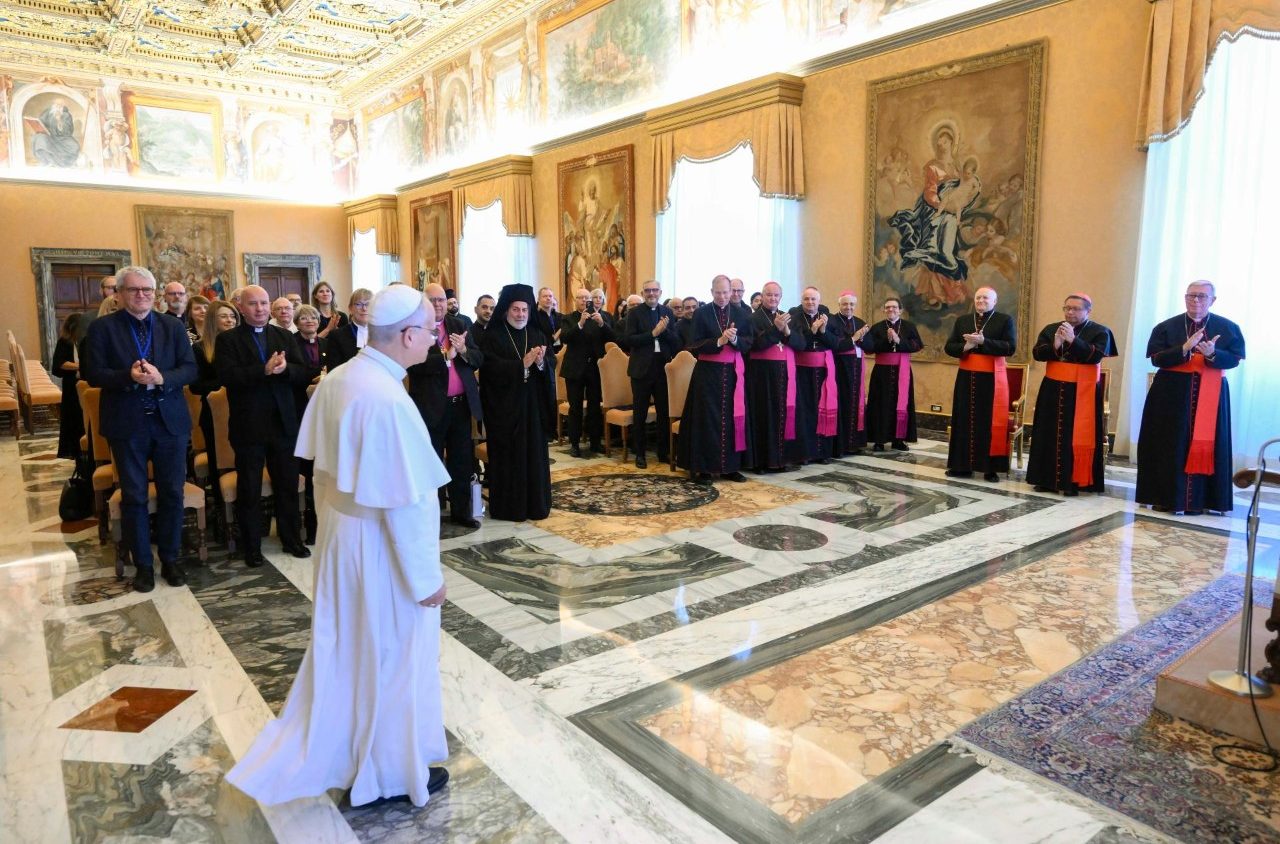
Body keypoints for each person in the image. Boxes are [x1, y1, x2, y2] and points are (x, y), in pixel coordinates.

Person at [227, 284, 451, 808]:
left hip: (344, 535)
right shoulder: (386, 398)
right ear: (409, 335)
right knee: (391, 658)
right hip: (379, 548)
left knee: (356, 655)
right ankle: (388, 775)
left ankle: (359, 757)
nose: (435, 338)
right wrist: (426, 580)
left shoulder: (343, 376)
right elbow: (405, 503)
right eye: (430, 330)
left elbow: (322, 473)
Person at [83, 266, 197, 591]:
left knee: (172, 492)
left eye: (147, 289)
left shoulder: (172, 326)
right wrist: (127, 377)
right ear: (119, 294)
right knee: (134, 496)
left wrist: (163, 378)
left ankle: (171, 559)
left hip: (169, 423)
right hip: (127, 422)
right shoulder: (102, 328)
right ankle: (143, 565)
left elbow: (190, 369)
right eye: (134, 290)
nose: (142, 295)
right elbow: (92, 373)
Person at [215, 285, 310, 567]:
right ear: (241, 308)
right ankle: (252, 547)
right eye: (253, 304)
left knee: (287, 485)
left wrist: (286, 369)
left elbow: (304, 372)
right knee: (250, 488)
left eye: (264, 303)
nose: (260, 309)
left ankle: (291, 539)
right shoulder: (228, 340)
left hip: (283, 423)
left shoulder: (284, 335)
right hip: (249, 425)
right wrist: (263, 370)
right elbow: (227, 376)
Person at [1136, 281, 1245, 514]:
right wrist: (1184, 348)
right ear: (1185, 298)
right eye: (1191, 295)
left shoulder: (1228, 327)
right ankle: (1166, 498)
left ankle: (1203, 501)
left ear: (1213, 300)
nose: (1196, 300)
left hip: (1212, 391)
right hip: (1170, 393)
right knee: (1169, 443)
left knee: (1210, 442)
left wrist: (1213, 354)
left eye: (1202, 296)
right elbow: (1156, 358)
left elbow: (1234, 360)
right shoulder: (1166, 327)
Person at [407, 284, 483, 529]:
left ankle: (462, 512)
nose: (438, 304)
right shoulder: (415, 327)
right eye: (433, 300)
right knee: (431, 462)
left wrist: (463, 350)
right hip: (430, 406)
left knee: (461, 461)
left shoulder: (459, 324)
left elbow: (478, 358)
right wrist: (444, 358)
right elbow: (413, 364)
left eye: (441, 299)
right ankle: (431, 513)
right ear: (424, 303)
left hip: (460, 406)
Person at [1026, 294, 1117, 496]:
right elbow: (1037, 354)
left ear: (1088, 311)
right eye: (1067, 308)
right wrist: (1056, 344)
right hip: (1052, 389)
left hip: (1083, 391)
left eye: (1076, 309)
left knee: (1075, 435)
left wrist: (1073, 341)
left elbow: (1096, 356)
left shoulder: (1100, 331)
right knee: (1048, 432)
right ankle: (1045, 480)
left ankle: (1075, 482)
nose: (1070, 312)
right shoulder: (1051, 328)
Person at [478, 284, 552, 521]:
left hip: (532, 408)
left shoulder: (537, 334)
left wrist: (541, 363)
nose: (521, 315)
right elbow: (489, 371)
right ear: (506, 311)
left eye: (524, 310)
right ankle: (510, 507)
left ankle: (536, 505)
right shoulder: (492, 337)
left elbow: (549, 367)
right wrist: (521, 365)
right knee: (510, 457)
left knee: (534, 454)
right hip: (505, 410)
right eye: (516, 310)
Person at [677, 275, 754, 482]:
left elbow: (749, 343)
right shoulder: (701, 313)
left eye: (726, 292)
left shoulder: (742, 314)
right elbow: (693, 344)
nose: (722, 297)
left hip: (733, 374)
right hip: (707, 374)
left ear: (731, 292)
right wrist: (719, 341)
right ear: (711, 292)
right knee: (707, 420)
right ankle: (704, 468)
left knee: (732, 418)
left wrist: (735, 339)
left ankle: (730, 467)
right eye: (718, 293)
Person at [944, 286, 1016, 481]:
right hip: (966, 379)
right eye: (978, 298)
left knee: (989, 422)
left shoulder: (1004, 320)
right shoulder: (963, 320)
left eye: (985, 298)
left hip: (991, 381)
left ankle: (990, 469)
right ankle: (961, 467)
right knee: (963, 421)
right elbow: (949, 347)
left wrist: (984, 342)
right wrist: (966, 346)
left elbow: (1010, 348)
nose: (981, 301)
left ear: (994, 301)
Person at [621, 280, 680, 468]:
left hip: (662, 368)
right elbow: (629, 339)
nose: (651, 293)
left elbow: (675, 341)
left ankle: (663, 453)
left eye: (655, 290)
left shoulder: (667, 312)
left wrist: (663, 332)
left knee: (663, 412)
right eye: (648, 290)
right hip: (641, 370)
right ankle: (640, 454)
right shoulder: (634, 313)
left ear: (660, 292)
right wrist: (653, 333)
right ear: (642, 293)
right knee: (640, 413)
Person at [746, 281, 803, 473]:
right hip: (761, 375)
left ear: (780, 297)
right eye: (769, 295)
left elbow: (801, 344)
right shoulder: (752, 319)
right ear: (762, 296)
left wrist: (787, 331)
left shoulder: (788, 317)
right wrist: (774, 329)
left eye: (776, 295)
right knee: (763, 416)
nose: (773, 298)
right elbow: (753, 345)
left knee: (782, 415)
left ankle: (780, 460)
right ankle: (761, 462)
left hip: (785, 374)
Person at [560, 287, 615, 457]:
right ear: (575, 300)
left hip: (594, 369)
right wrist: (580, 324)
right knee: (575, 408)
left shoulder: (600, 317)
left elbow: (612, 337)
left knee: (594, 407)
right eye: (581, 298)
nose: (584, 301)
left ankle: (595, 442)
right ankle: (574, 444)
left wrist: (602, 324)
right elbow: (565, 338)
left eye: (587, 298)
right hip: (574, 369)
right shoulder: (568, 318)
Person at [864, 297, 924, 451]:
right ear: (884, 310)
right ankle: (879, 440)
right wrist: (887, 340)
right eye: (888, 307)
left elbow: (917, 345)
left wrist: (899, 340)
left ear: (900, 310)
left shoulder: (909, 326)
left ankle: (899, 440)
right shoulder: (877, 327)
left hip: (902, 371)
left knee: (902, 403)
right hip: (881, 372)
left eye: (894, 307)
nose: (891, 310)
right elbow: (869, 348)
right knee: (879, 404)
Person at [789, 286, 840, 465]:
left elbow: (836, 344)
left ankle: (822, 453)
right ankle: (805, 454)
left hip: (824, 372)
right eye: (806, 299)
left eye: (813, 299)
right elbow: (798, 345)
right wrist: (812, 331)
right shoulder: (794, 320)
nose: (810, 302)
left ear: (819, 301)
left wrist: (823, 331)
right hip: (802, 373)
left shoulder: (829, 319)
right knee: (804, 412)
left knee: (823, 410)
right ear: (801, 301)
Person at [293, 304, 326, 542]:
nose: (310, 321)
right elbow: (295, 372)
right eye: (304, 318)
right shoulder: (291, 343)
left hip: (326, 409)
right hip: (301, 409)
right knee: (308, 466)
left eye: (313, 317)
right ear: (297, 322)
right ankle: (310, 526)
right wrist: (313, 377)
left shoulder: (327, 343)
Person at [830, 291, 871, 457]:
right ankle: (840, 445)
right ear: (839, 305)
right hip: (839, 369)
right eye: (845, 304)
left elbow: (871, 346)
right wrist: (853, 338)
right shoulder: (832, 321)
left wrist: (861, 338)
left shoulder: (860, 322)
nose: (848, 307)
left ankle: (855, 444)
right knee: (842, 404)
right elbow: (835, 345)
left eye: (851, 304)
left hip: (856, 368)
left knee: (856, 403)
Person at [53, 312, 85, 460]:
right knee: (73, 420)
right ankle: (75, 452)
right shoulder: (64, 342)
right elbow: (59, 364)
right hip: (71, 386)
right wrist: (79, 366)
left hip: (84, 383)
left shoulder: (86, 341)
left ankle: (84, 453)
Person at [532, 287, 561, 437]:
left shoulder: (559, 316)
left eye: (550, 296)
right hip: (543, 357)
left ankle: (557, 427)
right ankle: (547, 429)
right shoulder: (535, 317)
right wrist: (555, 336)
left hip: (557, 357)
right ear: (538, 299)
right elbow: (545, 338)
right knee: (546, 394)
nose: (548, 298)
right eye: (545, 296)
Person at [324, 288, 371, 370]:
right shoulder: (337, 336)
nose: (364, 308)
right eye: (359, 304)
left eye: (368, 304)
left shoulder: (382, 334)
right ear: (350, 309)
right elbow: (333, 370)